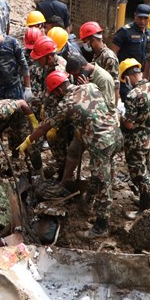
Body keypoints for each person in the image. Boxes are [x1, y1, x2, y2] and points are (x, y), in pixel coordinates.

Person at [21, 70, 123, 238]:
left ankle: (101, 226)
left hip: (101, 143)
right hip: (116, 135)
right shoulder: (90, 86)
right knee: (103, 173)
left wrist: (28, 140)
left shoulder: (66, 103)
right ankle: (89, 201)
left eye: (55, 94)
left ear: (59, 90)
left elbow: (45, 126)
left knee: (102, 183)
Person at [119, 59, 150, 211]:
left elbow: (129, 124)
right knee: (145, 167)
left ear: (127, 77)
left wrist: (120, 116)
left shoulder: (132, 95)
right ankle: (144, 197)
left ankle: (146, 204)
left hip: (135, 140)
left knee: (138, 172)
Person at [0, 99, 39, 180]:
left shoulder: (2, 110)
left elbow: (22, 103)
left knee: (29, 145)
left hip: (18, 118)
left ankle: (37, 173)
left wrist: (33, 121)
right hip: (0, 123)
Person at [78, 21, 120, 102]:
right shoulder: (97, 55)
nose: (86, 45)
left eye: (85, 42)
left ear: (92, 40)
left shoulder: (109, 58)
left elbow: (114, 87)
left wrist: (113, 110)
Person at [111, 4, 150, 69]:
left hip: (142, 71)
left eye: (145, 18)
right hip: (127, 70)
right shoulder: (125, 31)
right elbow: (113, 52)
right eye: (140, 18)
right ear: (135, 16)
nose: (142, 21)